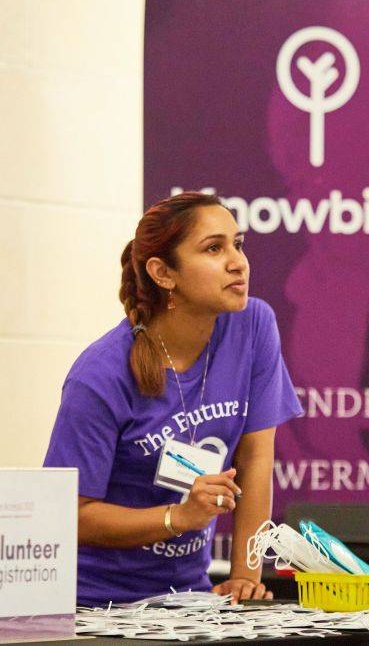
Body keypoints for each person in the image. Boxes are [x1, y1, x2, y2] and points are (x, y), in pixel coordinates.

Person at [44, 191, 303, 606]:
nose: (237, 262)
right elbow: (66, 515)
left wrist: (244, 577)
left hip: (187, 601)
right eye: (214, 248)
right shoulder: (99, 375)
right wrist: (177, 517)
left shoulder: (253, 326)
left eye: (237, 244)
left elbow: (255, 458)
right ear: (163, 273)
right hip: (95, 605)